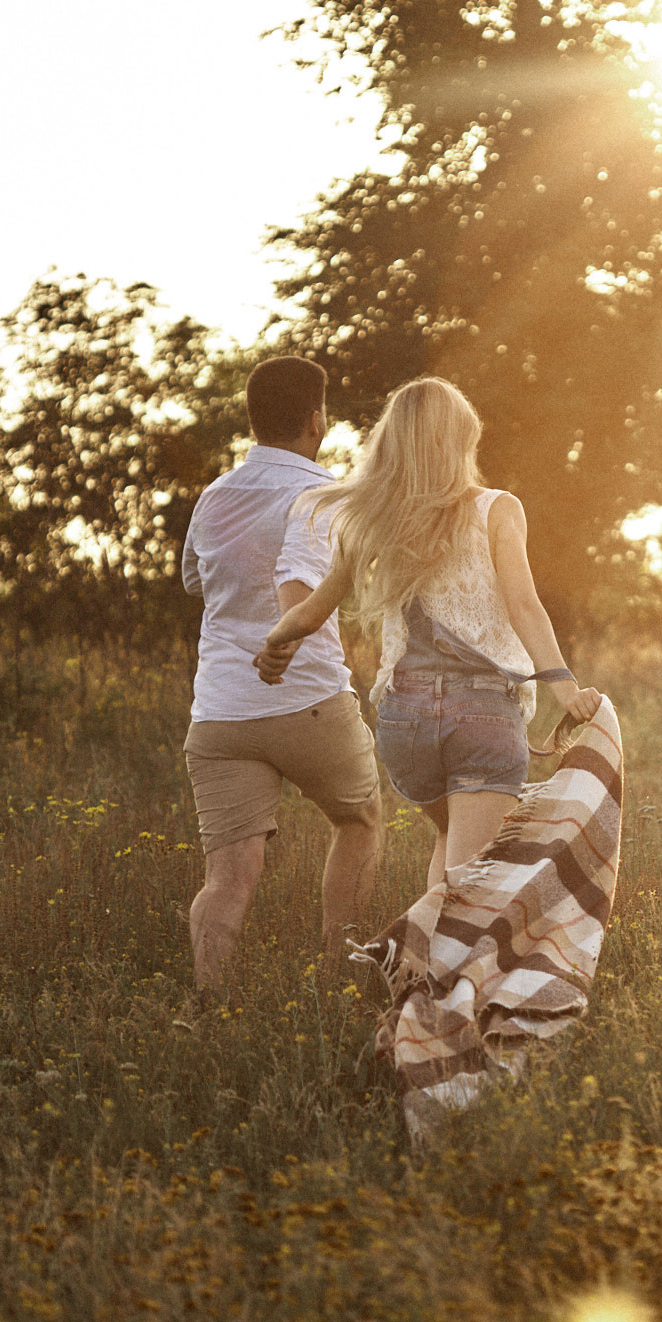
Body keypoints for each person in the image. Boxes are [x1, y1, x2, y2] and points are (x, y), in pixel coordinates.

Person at [254, 375, 601, 891]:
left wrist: (274, 642)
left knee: (452, 848)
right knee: (472, 887)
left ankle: (430, 968)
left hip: (406, 724)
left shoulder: (377, 517)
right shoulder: (498, 508)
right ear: (462, 438)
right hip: (482, 715)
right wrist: (564, 687)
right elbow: (524, 604)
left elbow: (311, 611)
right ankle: (436, 966)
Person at [179, 356, 381, 994]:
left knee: (229, 877)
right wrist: (288, 629)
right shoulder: (325, 493)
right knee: (361, 819)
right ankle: (336, 970)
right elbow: (311, 577)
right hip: (308, 699)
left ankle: (206, 1000)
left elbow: (194, 581)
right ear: (317, 419)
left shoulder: (215, 495)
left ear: (253, 418)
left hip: (221, 714)